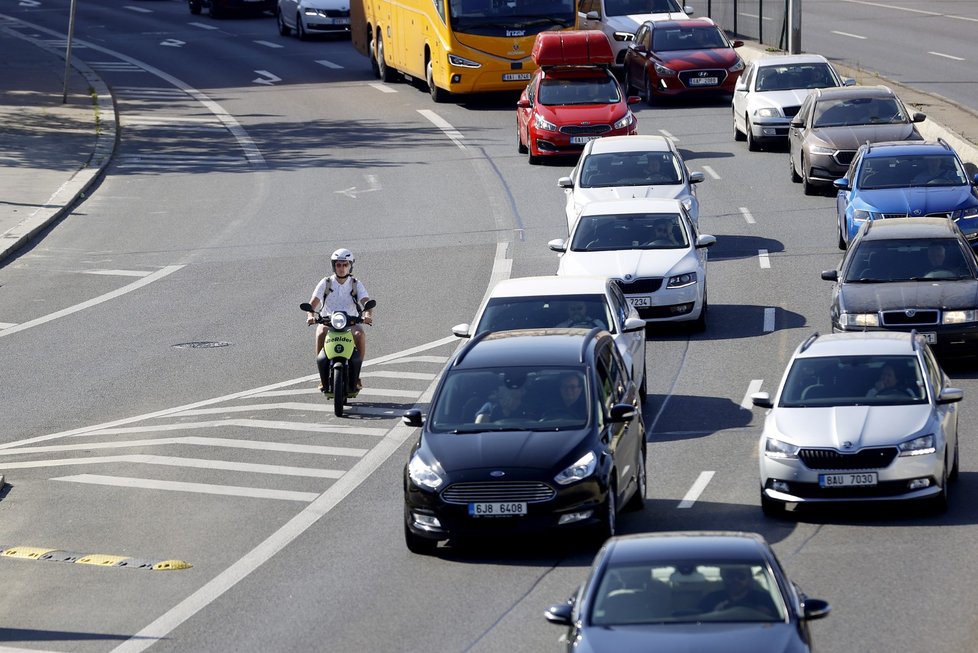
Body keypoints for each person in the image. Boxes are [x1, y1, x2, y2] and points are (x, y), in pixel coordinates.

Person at [306, 248, 373, 390]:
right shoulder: (326, 282)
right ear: (333, 266)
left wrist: (368, 315)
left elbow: (366, 301)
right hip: (328, 322)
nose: (342, 268)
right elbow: (313, 302)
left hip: (350, 322)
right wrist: (311, 316)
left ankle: (357, 375)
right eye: (338, 265)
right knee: (320, 333)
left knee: (359, 334)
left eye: (345, 265)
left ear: (350, 266)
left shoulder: (355, 283)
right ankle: (322, 375)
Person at [698, 566, 778, 617]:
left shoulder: (764, 599)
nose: (735, 580)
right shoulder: (711, 598)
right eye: (731, 576)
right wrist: (715, 613)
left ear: (749, 579)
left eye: (741, 576)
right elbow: (699, 620)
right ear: (724, 578)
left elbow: (778, 620)